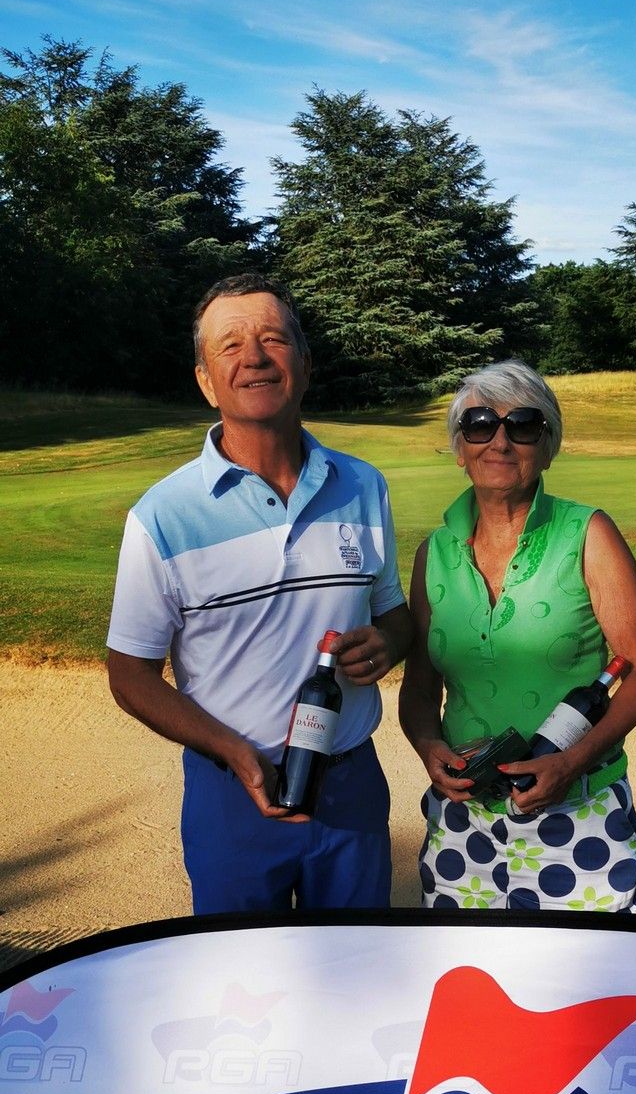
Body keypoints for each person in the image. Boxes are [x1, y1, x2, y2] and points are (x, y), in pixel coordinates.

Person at [107, 274, 411, 913]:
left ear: (305, 363)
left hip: (350, 784)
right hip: (230, 794)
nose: (254, 358)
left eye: (274, 339)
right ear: (205, 380)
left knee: (356, 962)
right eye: (230, 345)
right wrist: (232, 751)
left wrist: (388, 643)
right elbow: (130, 674)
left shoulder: (364, 485)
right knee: (238, 971)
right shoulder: (163, 515)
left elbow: (395, 615)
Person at [399, 360, 636, 912]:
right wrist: (428, 747)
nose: (499, 441)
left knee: (588, 966)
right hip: (464, 823)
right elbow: (420, 688)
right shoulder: (434, 553)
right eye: (479, 425)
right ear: (459, 447)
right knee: (467, 963)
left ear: (548, 447)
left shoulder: (588, 533)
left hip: (578, 815)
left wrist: (571, 762)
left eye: (523, 425)